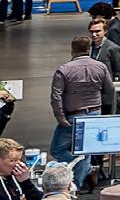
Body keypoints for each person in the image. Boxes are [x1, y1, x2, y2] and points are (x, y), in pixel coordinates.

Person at [46, 36, 114, 167]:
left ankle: (84, 167)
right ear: (89, 49)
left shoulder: (64, 69)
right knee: (87, 147)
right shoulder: (101, 67)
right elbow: (110, 89)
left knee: (58, 150)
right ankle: (86, 169)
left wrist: (60, 117)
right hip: (95, 113)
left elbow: (56, 96)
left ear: (72, 49)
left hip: (74, 116)